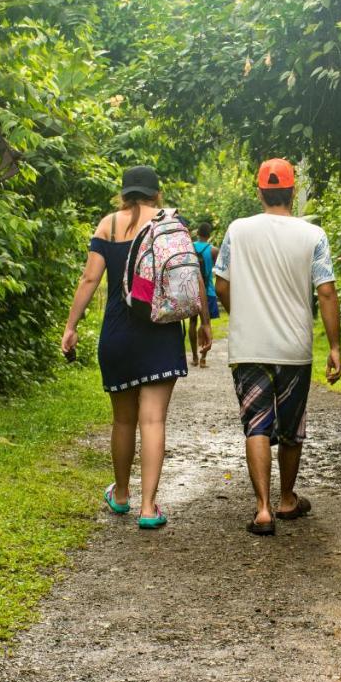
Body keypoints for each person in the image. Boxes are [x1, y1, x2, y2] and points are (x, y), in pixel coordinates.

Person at [62, 165, 212, 529]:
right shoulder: (171, 224)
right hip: (160, 332)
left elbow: (90, 278)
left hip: (118, 334)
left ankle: (121, 495)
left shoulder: (107, 225)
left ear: (123, 193)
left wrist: (71, 326)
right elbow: (189, 276)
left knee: (123, 419)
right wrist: (205, 322)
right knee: (154, 419)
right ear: (157, 193)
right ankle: (148, 507)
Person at [214, 158, 341, 536]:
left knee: (256, 424)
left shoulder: (238, 230)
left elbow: (220, 282)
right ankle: (288, 498)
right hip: (294, 347)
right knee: (291, 427)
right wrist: (334, 347)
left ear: (260, 192)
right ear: (291, 191)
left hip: (249, 347)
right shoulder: (313, 235)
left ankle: (263, 509)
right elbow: (327, 292)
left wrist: (239, 313)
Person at [188, 221, 219, 368]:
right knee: (206, 323)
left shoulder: (190, 247)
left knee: (192, 323)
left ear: (198, 233)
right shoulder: (213, 250)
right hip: (208, 291)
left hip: (192, 290)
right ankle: (203, 359)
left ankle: (194, 357)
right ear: (209, 234)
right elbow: (218, 270)